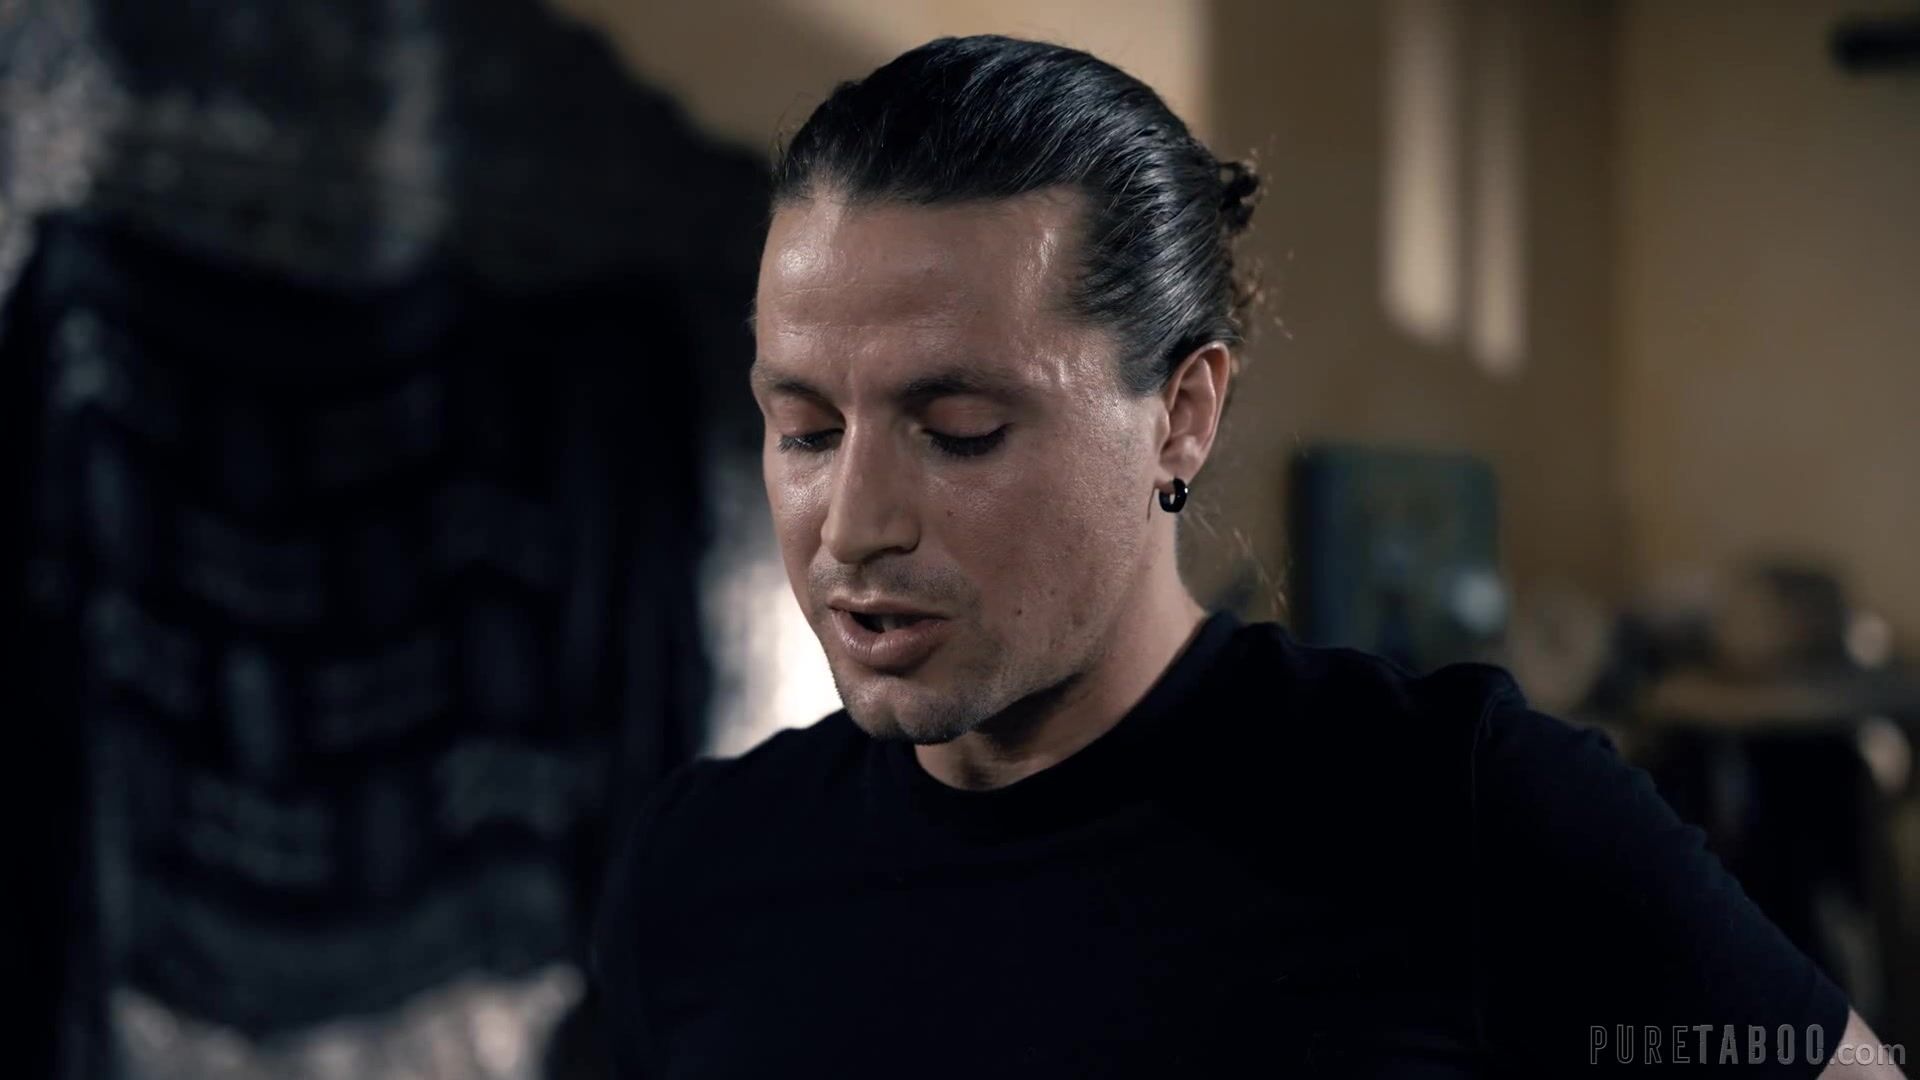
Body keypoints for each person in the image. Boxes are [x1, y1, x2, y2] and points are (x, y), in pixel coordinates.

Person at [592, 35, 1902, 1078]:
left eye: (961, 430)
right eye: (807, 430)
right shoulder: (701, 873)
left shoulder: (1473, 813)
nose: (853, 522)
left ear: (1181, 415)